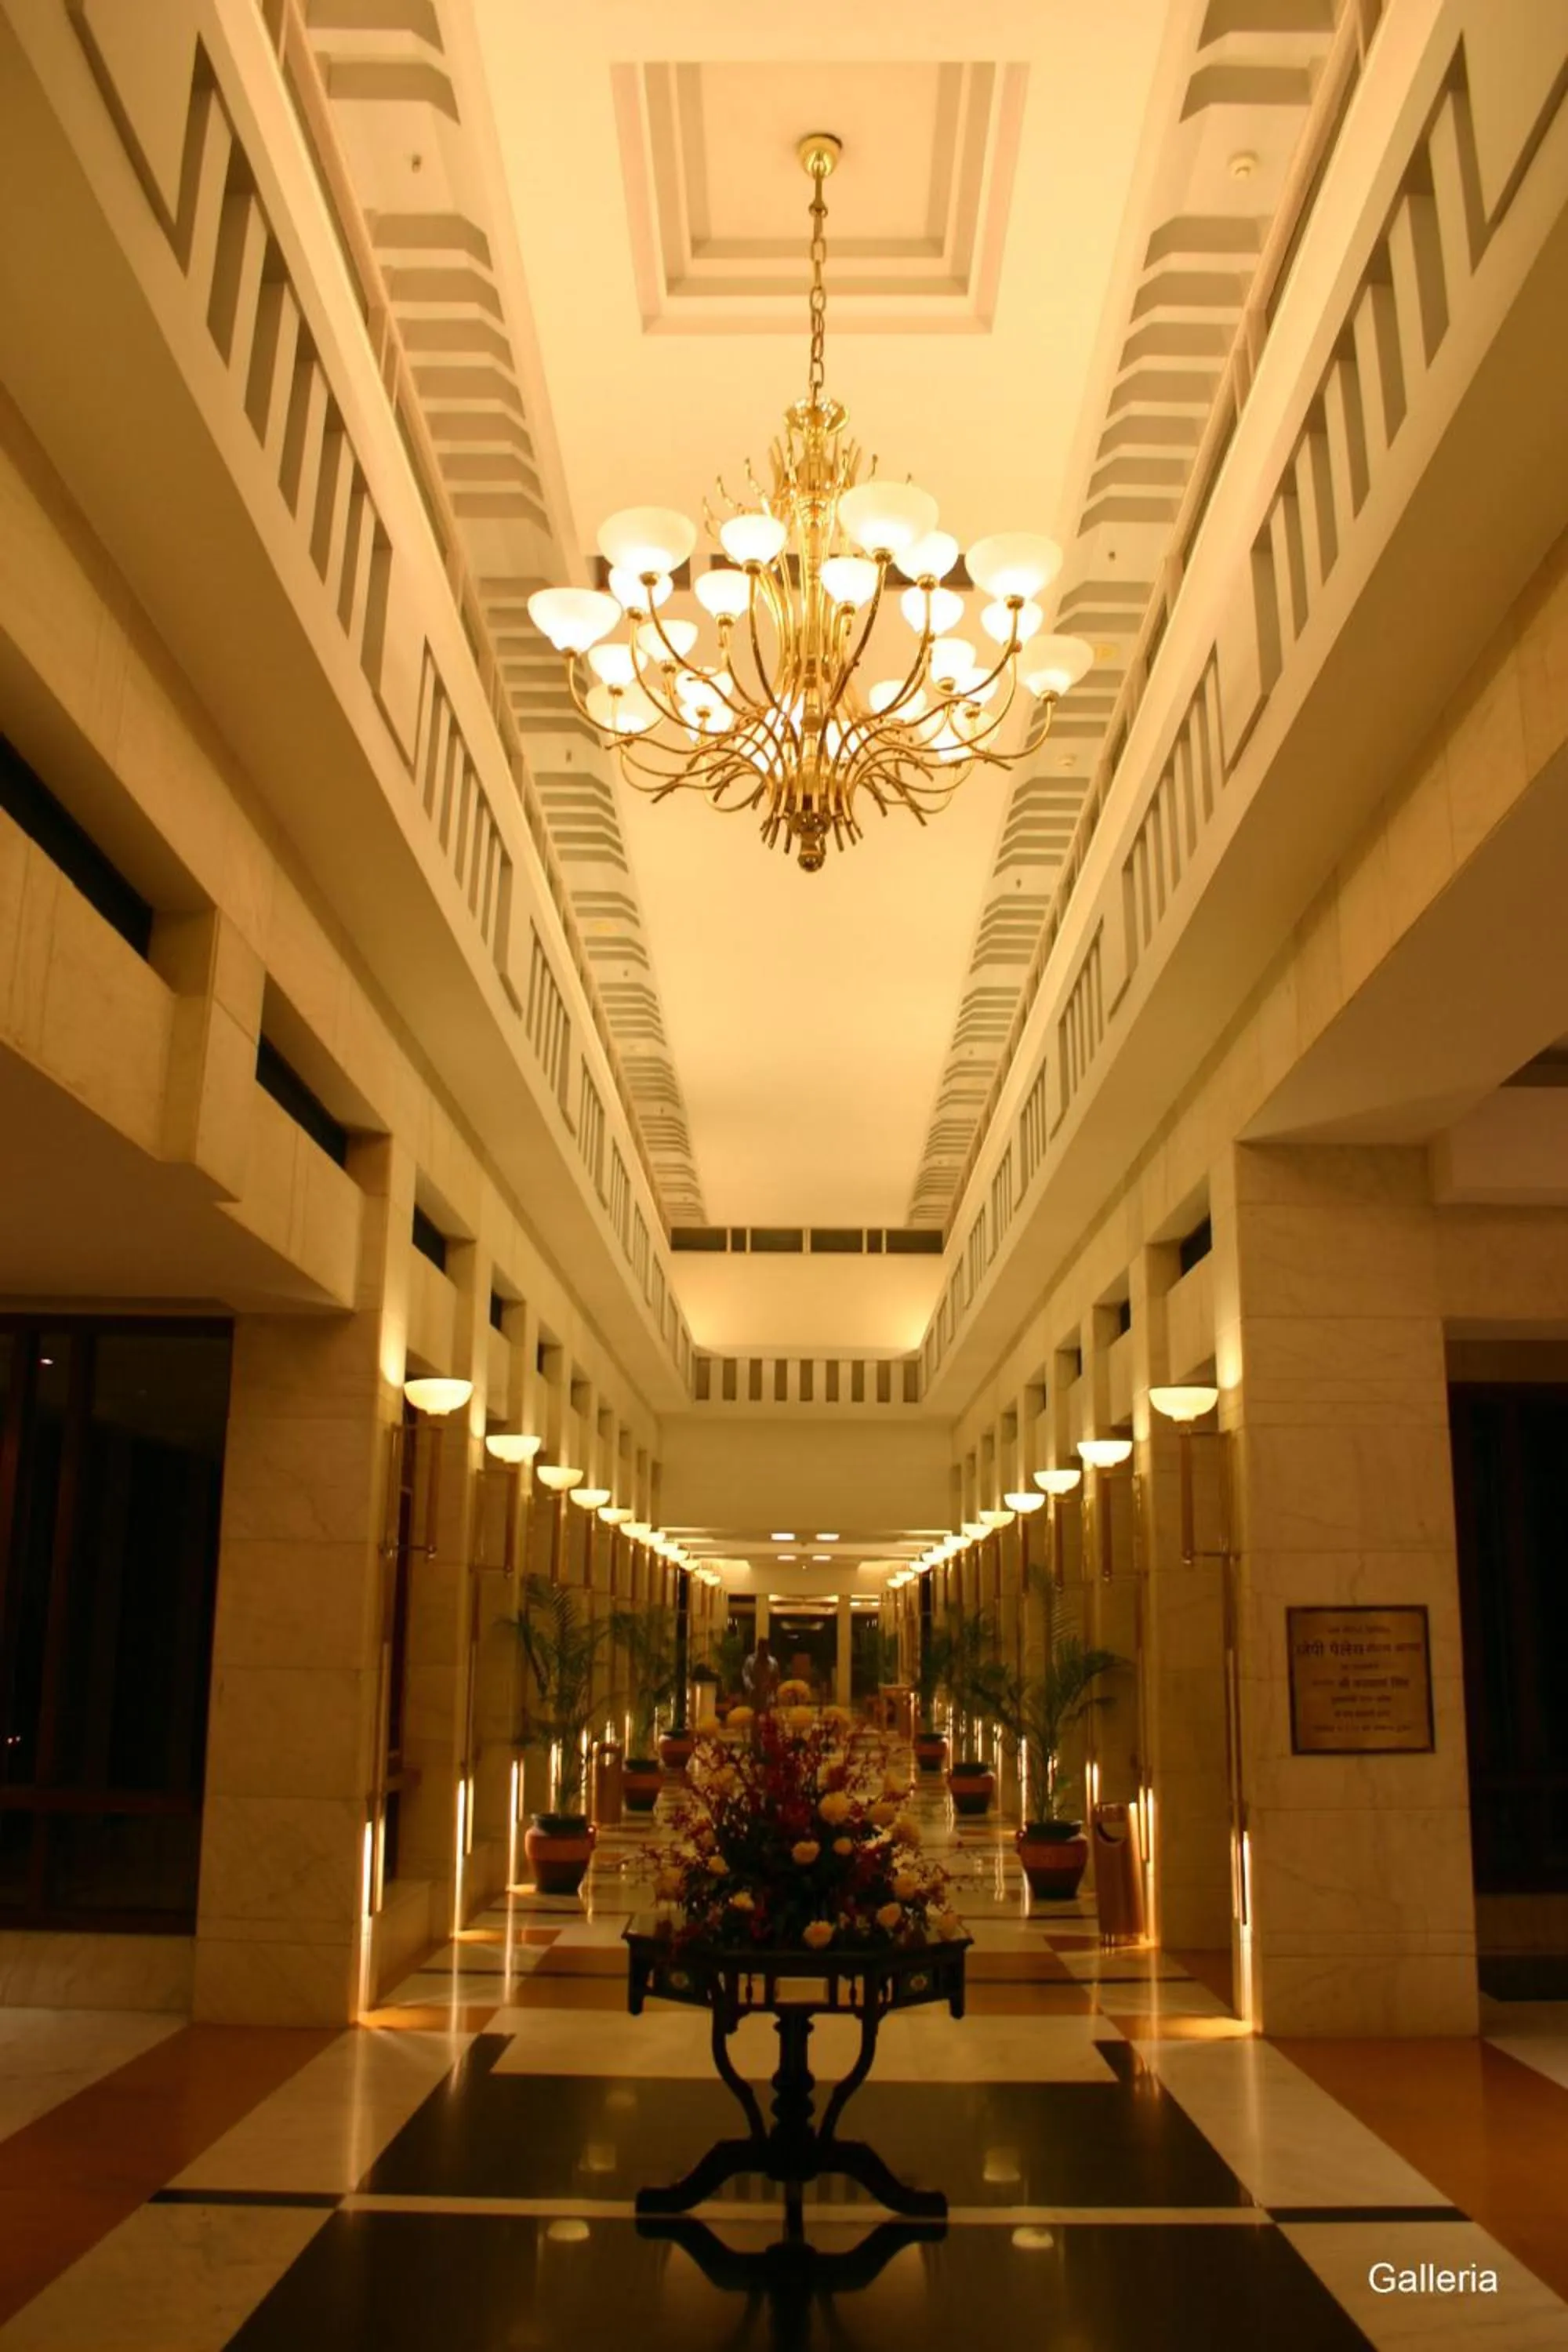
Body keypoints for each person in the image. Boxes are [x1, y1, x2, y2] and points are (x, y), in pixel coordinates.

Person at [742, 1635, 779, 1710]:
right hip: (754, 1696)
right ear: (758, 1648)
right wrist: (751, 1687)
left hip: (768, 1696)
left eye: (765, 1648)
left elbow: (776, 1678)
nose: (763, 1651)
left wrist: (774, 1692)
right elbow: (746, 1675)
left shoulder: (773, 1662)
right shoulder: (750, 1661)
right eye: (761, 1648)